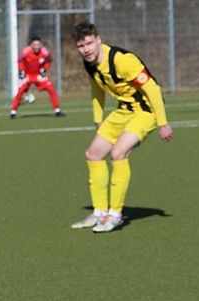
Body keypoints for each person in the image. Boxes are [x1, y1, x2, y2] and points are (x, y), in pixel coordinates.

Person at [70, 22, 174, 233]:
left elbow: (153, 89)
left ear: (99, 40)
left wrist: (163, 123)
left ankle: (115, 215)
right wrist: (98, 119)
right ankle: (99, 213)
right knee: (93, 154)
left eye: (89, 43)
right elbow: (97, 90)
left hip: (146, 111)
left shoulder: (122, 60)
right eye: (81, 46)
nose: (86, 49)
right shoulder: (89, 64)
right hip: (123, 111)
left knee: (118, 152)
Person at [10, 36, 64, 119]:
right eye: (34, 45)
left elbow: (49, 60)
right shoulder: (25, 52)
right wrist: (22, 71)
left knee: (51, 89)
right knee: (20, 91)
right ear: (31, 45)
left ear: (41, 45)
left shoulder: (45, 52)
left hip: (38, 75)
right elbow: (20, 61)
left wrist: (44, 69)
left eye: (38, 44)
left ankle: (57, 110)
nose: (37, 47)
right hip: (28, 75)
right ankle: (13, 112)